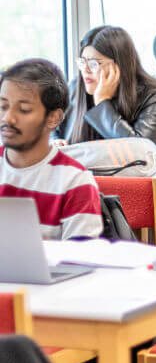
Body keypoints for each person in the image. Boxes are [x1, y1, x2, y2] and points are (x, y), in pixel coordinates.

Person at [0, 59, 102, 239]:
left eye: (23, 110)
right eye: (3, 106)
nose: (8, 118)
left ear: (53, 118)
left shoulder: (76, 181)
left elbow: (80, 261)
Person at [55, 26, 156, 160]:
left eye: (94, 64)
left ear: (119, 65)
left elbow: (137, 152)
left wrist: (102, 103)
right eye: (82, 62)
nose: (86, 70)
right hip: (85, 178)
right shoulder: (75, 88)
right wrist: (54, 142)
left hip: (137, 179)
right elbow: (52, 128)